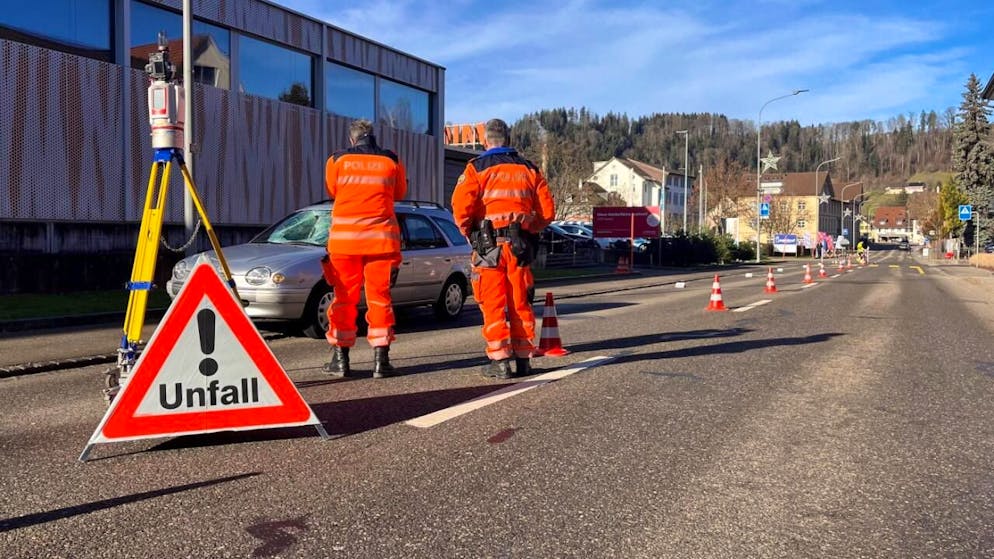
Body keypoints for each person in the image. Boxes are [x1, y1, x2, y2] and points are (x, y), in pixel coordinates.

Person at [451, 118, 556, 379]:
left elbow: (461, 210)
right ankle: (523, 360)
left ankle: (499, 362)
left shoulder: (476, 168)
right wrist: (529, 228)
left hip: (488, 246)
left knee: (493, 303)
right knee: (520, 302)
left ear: (486, 141)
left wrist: (469, 233)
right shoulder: (530, 169)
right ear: (508, 139)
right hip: (519, 246)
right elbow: (547, 212)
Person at [321, 119, 407, 378]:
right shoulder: (391, 160)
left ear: (352, 139)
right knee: (379, 299)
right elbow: (399, 193)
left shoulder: (336, 160)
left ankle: (340, 359)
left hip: (345, 244)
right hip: (381, 242)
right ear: (373, 136)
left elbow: (333, 190)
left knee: (343, 299)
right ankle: (381, 360)